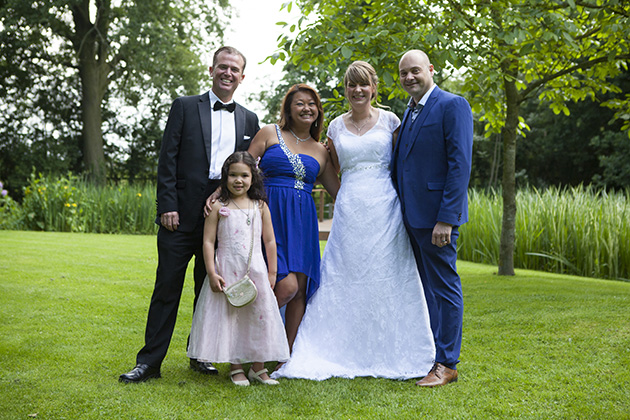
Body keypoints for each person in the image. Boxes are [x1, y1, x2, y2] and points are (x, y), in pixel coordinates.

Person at [273, 61, 435, 380]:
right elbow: (328, 172)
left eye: (364, 84)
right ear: (346, 89)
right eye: (351, 85)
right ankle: (327, 348)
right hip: (349, 210)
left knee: (387, 277)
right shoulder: (333, 127)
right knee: (343, 277)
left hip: (385, 209)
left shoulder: (391, 121)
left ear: (374, 88)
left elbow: (403, 166)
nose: (358, 90)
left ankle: (391, 348)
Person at [119, 46, 260, 383]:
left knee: (208, 289)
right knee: (167, 285)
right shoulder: (184, 106)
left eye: (234, 69)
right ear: (211, 69)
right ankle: (149, 363)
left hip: (222, 216)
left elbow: (249, 172)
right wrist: (167, 205)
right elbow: (167, 158)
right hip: (179, 214)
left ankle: (201, 354)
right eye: (222, 67)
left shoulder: (250, 119)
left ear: (242, 77)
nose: (227, 73)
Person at [392, 50, 473, 387]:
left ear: (430, 70)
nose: (409, 78)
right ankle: (433, 355)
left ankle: (447, 364)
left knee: (444, 289)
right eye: (403, 74)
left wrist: (447, 219)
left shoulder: (452, 105)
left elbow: (460, 165)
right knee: (426, 290)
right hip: (411, 217)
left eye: (415, 71)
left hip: (437, 220)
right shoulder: (408, 113)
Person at [246, 84, 340, 354]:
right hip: (269, 217)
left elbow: (339, 193)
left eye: (312, 104)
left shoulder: (322, 151)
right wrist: (220, 196)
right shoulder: (268, 133)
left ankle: (284, 356)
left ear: (318, 111)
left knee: (299, 290)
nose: (307, 108)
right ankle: (247, 342)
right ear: (288, 108)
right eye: (300, 103)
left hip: (302, 223)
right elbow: (240, 167)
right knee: (282, 286)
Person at [187, 151, 289, 386]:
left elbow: (270, 241)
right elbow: (208, 242)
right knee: (232, 318)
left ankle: (258, 367)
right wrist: (212, 273)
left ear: (253, 177)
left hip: (256, 271)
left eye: (244, 175)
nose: (238, 180)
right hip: (228, 270)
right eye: (233, 175)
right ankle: (236, 366)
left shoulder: (259, 205)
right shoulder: (218, 207)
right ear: (225, 177)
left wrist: (272, 272)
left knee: (259, 317)